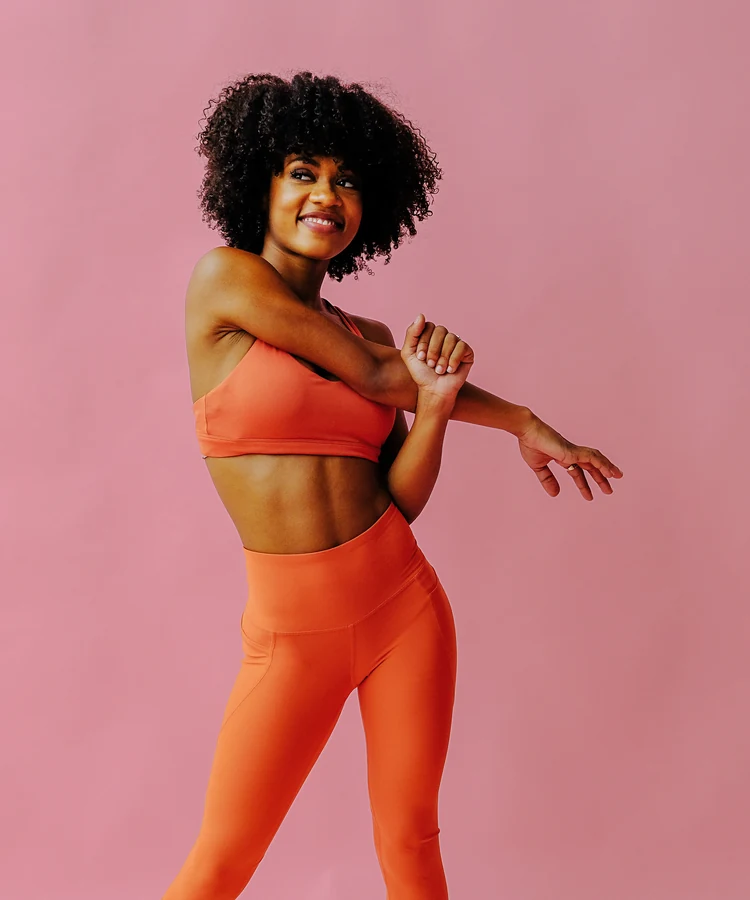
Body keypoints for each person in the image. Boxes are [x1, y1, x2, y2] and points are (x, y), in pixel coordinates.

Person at [163, 72, 623, 900]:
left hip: (404, 607)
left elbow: (400, 500)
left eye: (347, 180)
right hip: (290, 635)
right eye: (303, 171)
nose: (327, 194)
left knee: (410, 843)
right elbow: (381, 378)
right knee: (222, 861)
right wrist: (519, 417)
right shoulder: (223, 283)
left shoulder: (366, 333)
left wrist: (441, 406)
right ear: (258, 182)